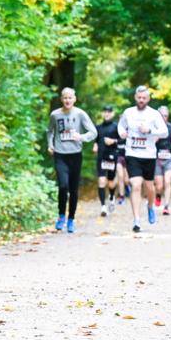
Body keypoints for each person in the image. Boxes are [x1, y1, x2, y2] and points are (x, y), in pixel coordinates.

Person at [117, 86, 168, 232]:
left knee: (149, 187)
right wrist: (122, 133)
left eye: (144, 98)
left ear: (148, 99)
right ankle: (137, 220)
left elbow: (164, 132)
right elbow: (121, 126)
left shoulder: (154, 114)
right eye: (139, 97)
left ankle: (150, 206)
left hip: (149, 155)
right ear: (135, 97)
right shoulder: (128, 112)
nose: (141, 100)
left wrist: (150, 130)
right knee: (136, 185)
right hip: (132, 154)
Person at [46, 88, 97, 233]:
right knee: (63, 186)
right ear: (61, 99)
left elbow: (93, 132)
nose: (67, 100)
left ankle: (71, 219)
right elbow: (50, 131)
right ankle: (61, 215)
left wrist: (81, 137)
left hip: (75, 155)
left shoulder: (80, 114)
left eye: (70, 98)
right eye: (65, 98)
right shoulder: (55, 115)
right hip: (60, 154)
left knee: (73, 189)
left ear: (75, 99)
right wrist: (50, 144)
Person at [92, 105, 120, 216]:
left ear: (112, 113)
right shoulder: (98, 128)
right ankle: (103, 207)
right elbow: (96, 140)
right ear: (102, 113)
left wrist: (113, 141)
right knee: (101, 181)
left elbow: (122, 140)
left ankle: (112, 196)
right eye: (105, 111)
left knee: (111, 183)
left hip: (112, 157)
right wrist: (95, 146)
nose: (107, 113)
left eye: (109, 112)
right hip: (101, 158)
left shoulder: (116, 127)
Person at [153, 105, 171, 215]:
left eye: (165, 115)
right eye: (161, 115)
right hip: (157, 159)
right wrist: (156, 137)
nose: (163, 117)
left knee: (168, 181)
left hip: (169, 158)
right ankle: (158, 195)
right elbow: (150, 141)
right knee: (159, 185)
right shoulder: (154, 128)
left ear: (168, 116)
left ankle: (166, 206)